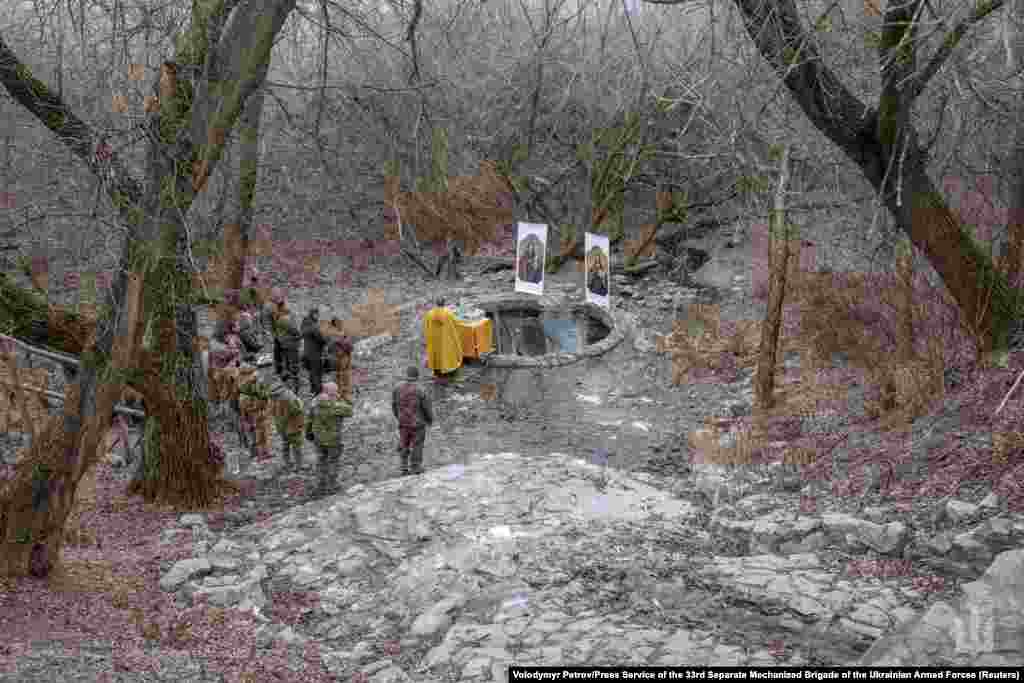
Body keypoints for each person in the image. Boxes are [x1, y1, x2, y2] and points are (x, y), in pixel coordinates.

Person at [308, 381, 353, 495]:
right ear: (332, 393)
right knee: (333, 462)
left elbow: (309, 420)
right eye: (335, 392)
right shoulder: (336, 406)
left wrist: (309, 433)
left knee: (321, 461)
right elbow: (350, 410)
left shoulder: (313, 403)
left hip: (318, 439)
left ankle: (320, 484)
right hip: (333, 440)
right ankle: (332, 485)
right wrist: (341, 398)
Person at [391, 366, 434, 476]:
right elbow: (426, 407)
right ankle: (415, 467)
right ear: (417, 376)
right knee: (417, 444)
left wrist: (398, 417)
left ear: (406, 374)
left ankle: (403, 467)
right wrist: (430, 419)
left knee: (404, 443)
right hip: (417, 423)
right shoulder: (421, 389)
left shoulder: (397, 388)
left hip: (403, 422)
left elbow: (394, 405)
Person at [423, 296, 463, 382]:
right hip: (446, 340)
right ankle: (449, 373)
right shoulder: (448, 313)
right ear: (444, 303)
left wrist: (428, 338)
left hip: (434, 340)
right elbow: (456, 323)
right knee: (448, 355)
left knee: (436, 355)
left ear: (436, 303)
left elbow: (426, 327)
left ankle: (437, 372)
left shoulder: (429, 314)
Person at [269, 380, 305, 474]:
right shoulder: (289, 396)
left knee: (285, 446)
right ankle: (298, 466)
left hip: (282, 427)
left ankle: (287, 463)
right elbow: (297, 409)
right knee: (297, 447)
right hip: (293, 426)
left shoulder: (273, 399)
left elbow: (272, 412)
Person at [273, 296, 302, 394]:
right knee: (294, 367)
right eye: (287, 305)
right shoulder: (284, 319)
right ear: (282, 307)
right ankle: (294, 389)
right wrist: (298, 336)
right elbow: (295, 331)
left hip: (285, 344)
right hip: (291, 345)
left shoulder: (280, 317)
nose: (288, 307)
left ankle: (288, 387)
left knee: (288, 365)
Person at [325, 318, 354, 402]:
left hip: (346, 357)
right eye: (339, 323)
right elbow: (331, 347)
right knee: (340, 376)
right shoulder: (332, 334)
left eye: (341, 322)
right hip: (339, 358)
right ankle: (340, 395)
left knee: (346, 376)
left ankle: (345, 394)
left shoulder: (343, 333)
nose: (341, 324)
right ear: (335, 324)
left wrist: (344, 342)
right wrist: (343, 342)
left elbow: (349, 345)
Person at [301, 305, 326, 396]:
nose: (317, 316)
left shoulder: (304, 324)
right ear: (312, 314)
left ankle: (312, 390)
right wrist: (325, 341)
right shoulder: (313, 325)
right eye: (316, 314)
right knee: (316, 372)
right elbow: (320, 338)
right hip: (314, 353)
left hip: (307, 352)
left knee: (312, 372)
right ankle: (318, 391)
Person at [265, 288, 285, 377]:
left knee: (278, 354)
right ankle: (277, 372)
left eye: (280, 295)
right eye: (277, 295)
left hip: (276, 334)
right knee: (276, 354)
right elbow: (275, 320)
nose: (279, 297)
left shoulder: (273, 305)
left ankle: (278, 370)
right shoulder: (270, 306)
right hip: (274, 334)